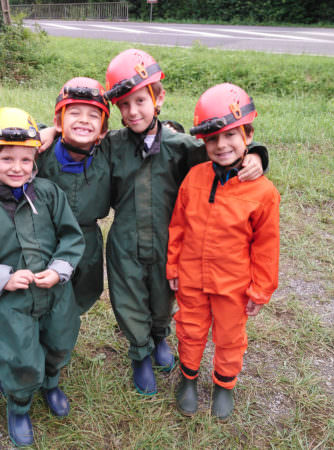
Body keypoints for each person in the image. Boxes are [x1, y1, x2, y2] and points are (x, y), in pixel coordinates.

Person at [101, 49, 269, 396]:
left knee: (163, 296)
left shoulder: (182, 146)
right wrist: (47, 134)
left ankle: (159, 336)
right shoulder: (111, 145)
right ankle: (140, 354)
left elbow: (223, 149)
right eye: (124, 105)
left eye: (140, 101)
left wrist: (257, 155)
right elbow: (78, 141)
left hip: (169, 238)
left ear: (159, 98)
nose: (133, 111)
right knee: (129, 298)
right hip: (125, 240)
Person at [0, 107, 85, 447]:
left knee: (59, 341)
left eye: (25, 160)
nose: (16, 167)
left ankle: (52, 383)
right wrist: (4, 278)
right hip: (10, 303)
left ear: (34, 161)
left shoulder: (49, 193)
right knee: (18, 356)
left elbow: (72, 237)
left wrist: (58, 272)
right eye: (6, 158)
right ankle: (19, 404)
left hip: (54, 294)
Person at [166, 83, 280, 419]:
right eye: (212, 139)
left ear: (249, 134)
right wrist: (173, 267)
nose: (221, 145)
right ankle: (187, 379)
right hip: (190, 276)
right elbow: (178, 226)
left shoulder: (263, 192)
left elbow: (267, 245)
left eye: (230, 135)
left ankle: (224, 384)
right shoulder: (194, 177)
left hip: (233, 284)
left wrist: (261, 289)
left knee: (230, 337)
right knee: (189, 328)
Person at [37, 77, 111, 314]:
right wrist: (46, 131)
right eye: (74, 112)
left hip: (87, 237)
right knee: (42, 286)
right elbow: (0, 141)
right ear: (58, 121)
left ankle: (65, 328)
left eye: (93, 115)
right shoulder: (38, 150)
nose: (83, 120)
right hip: (45, 234)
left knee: (84, 287)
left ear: (104, 129)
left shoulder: (109, 154)